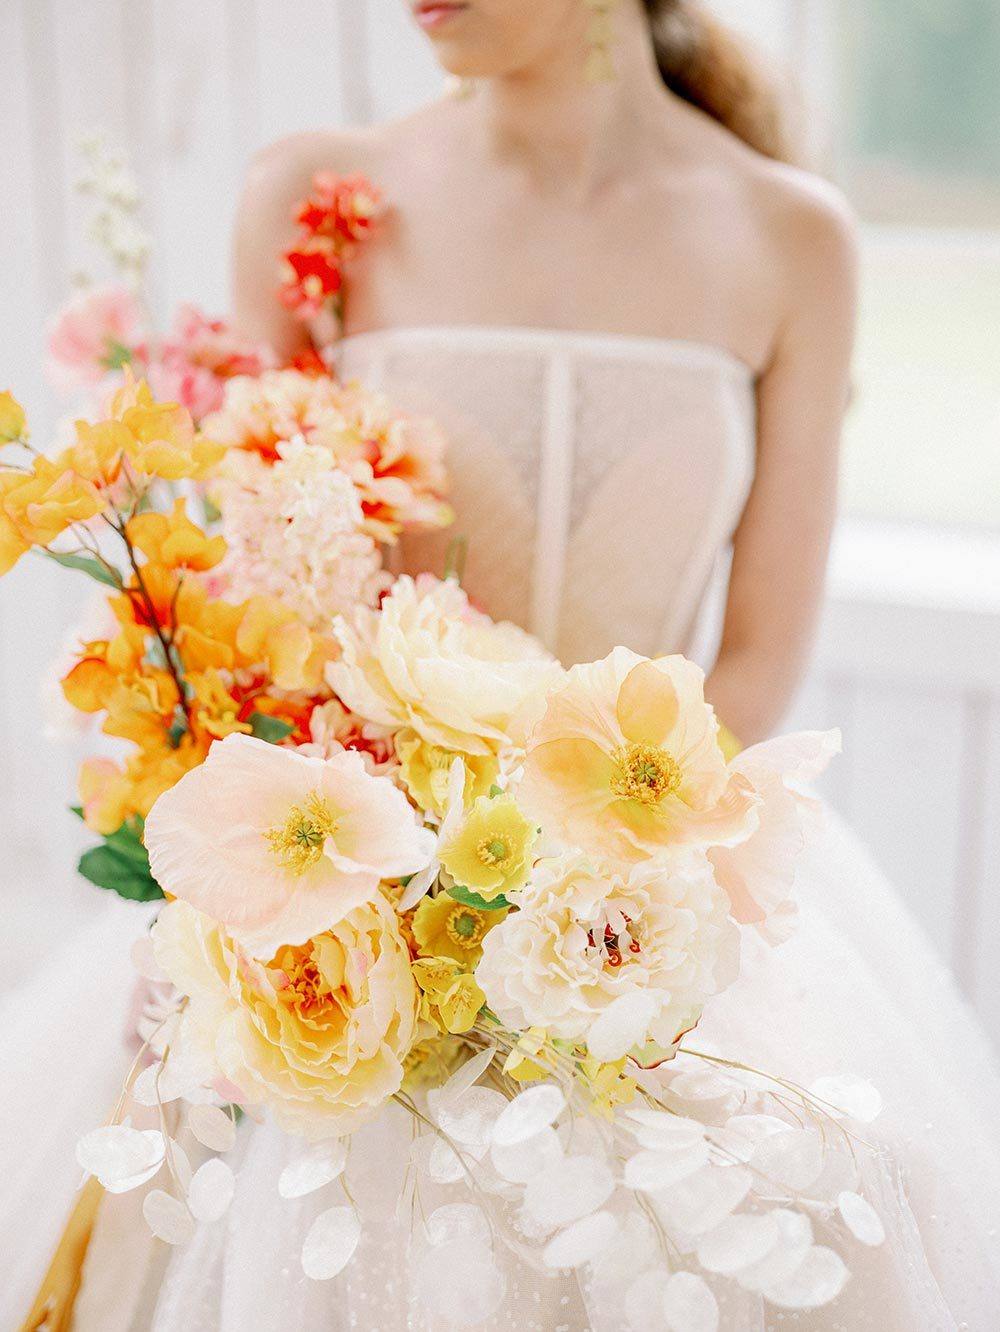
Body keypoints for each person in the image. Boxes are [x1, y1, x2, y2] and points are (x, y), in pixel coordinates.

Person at [4, 2, 1000, 1328]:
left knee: (807, 1201)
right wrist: (381, 888)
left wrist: (597, 885)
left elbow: (756, 654)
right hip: (350, 884)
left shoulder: (790, 235)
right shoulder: (317, 197)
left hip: (650, 880)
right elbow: (274, 600)